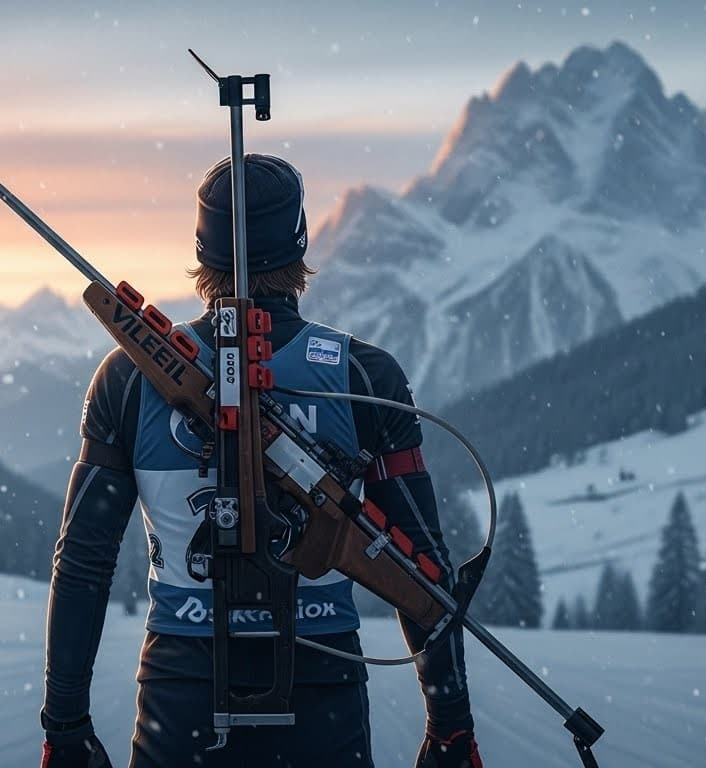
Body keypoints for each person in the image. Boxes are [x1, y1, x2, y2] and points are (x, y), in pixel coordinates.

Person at [40, 154, 481, 768]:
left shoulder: (127, 380)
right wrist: (451, 726)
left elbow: (83, 563)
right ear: (301, 247)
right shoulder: (363, 375)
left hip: (180, 698)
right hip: (325, 697)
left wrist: (65, 726)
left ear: (201, 253)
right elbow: (423, 571)